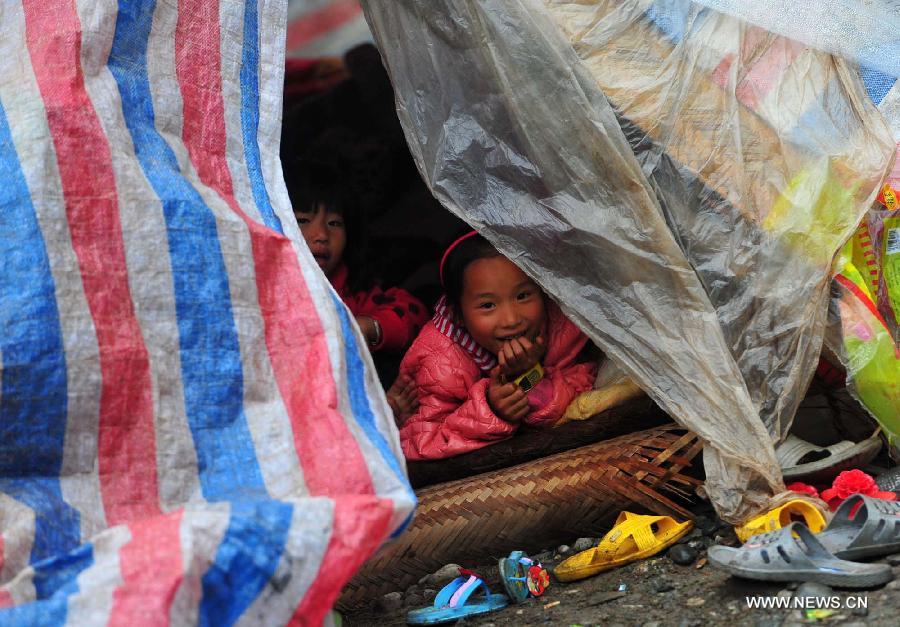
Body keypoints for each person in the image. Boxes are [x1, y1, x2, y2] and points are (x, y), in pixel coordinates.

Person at [398, 231, 597, 460]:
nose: (512, 320)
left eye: (522, 296)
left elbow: (587, 381)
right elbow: (417, 442)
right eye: (488, 305)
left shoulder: (559, 324)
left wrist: (531, 380)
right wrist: (491, 410)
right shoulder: (439, 361)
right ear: (457, 315)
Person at [288, 158, 428, 379]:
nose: (322, 236)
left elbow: (413, 312)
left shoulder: (353, 291)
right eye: (303, 220)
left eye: (334, 223)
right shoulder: (264, 288)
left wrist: (370, 327)